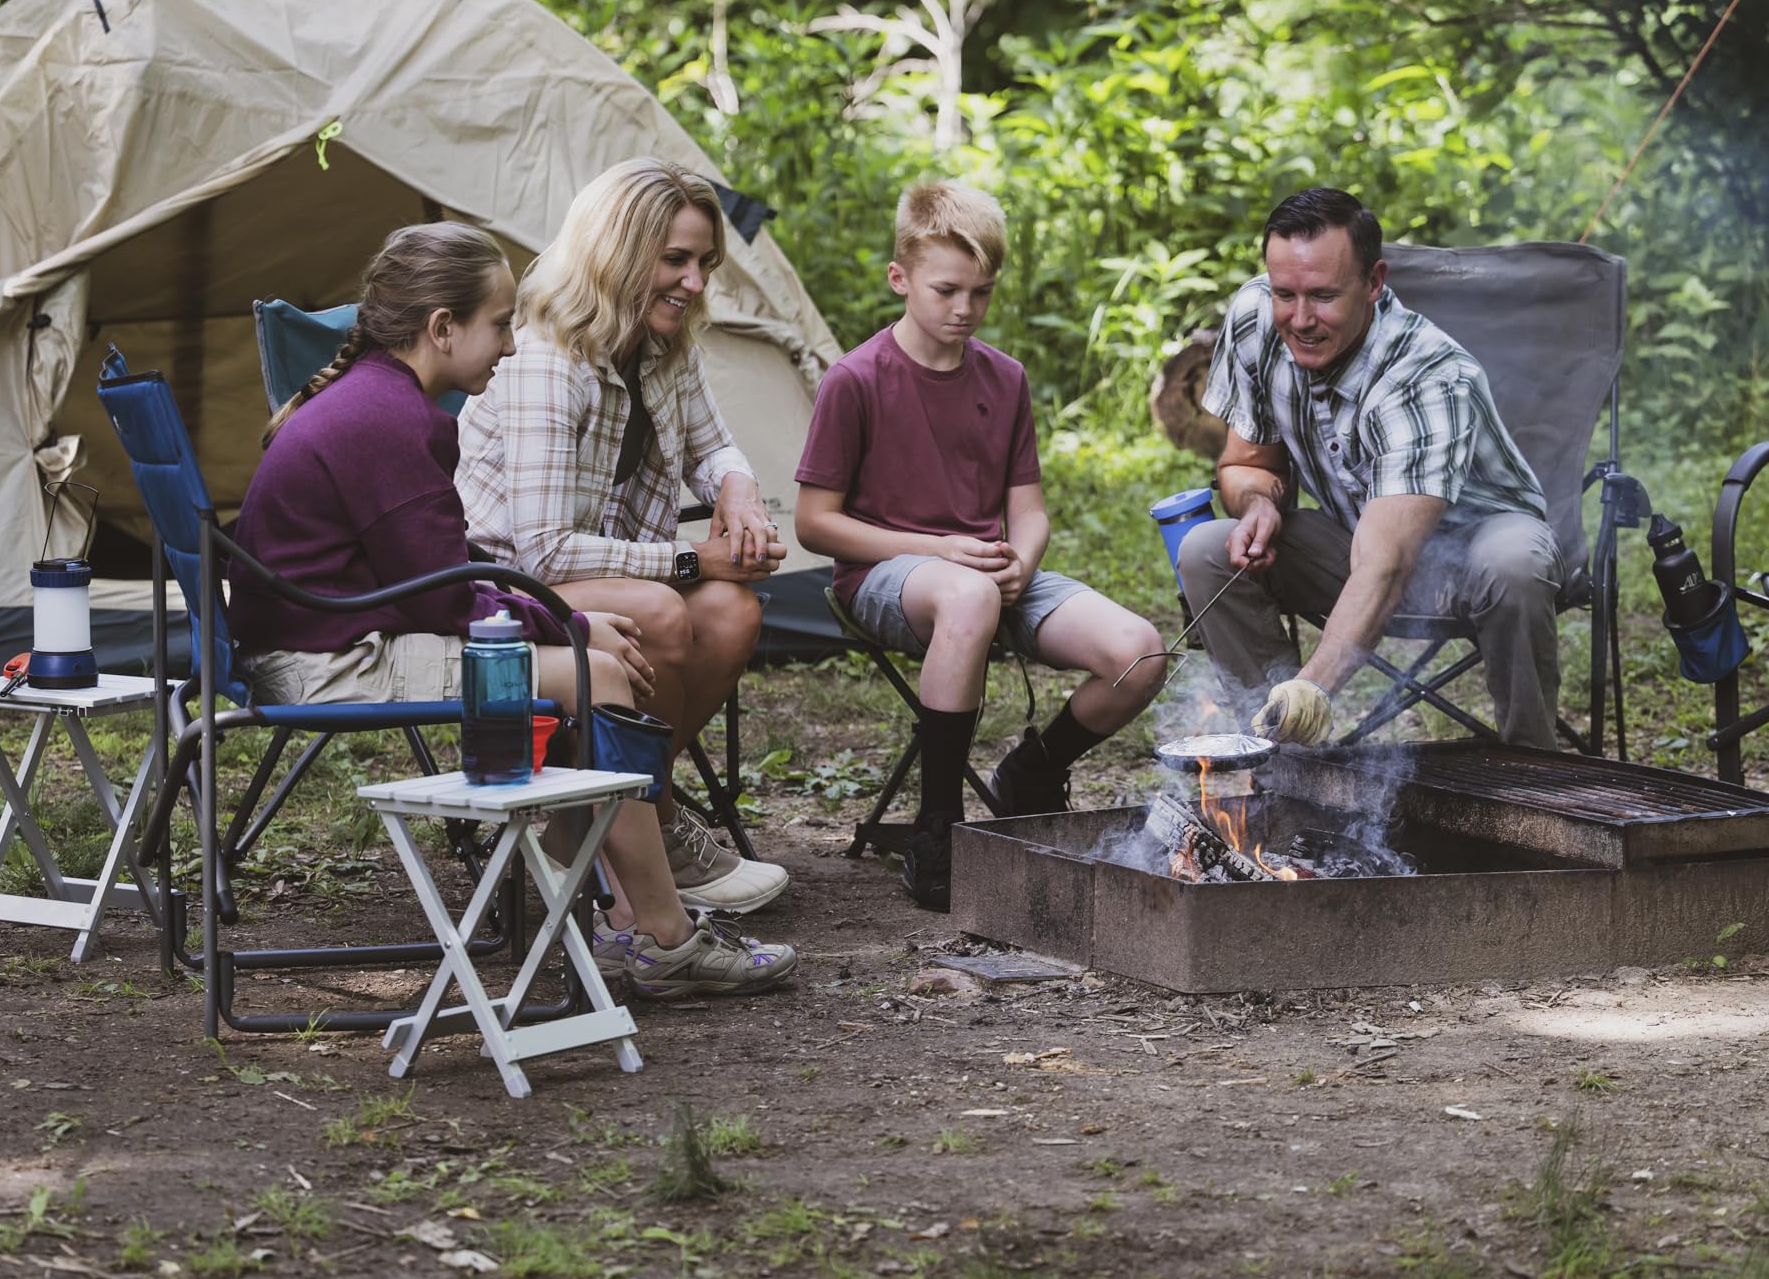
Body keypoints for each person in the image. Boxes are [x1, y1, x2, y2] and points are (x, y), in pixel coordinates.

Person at [231, 220, 794, 999]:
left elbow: (438, 582)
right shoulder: (391, 421)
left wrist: (552, 619)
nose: (507, 343)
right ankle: (659, 933)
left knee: (592, 668)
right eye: (498, 324)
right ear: (441, 328)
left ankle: (620, 901)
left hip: (329, 633)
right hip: (329, 663)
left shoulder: (374, 399)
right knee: (597, 674)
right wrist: (566, 621)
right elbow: (442, 598)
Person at [795, 182, 1169, 911]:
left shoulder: (1004, 378)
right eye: (947, 290)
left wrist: (1021, 560)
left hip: (990, 576)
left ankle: (1032, 768)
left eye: (982, 293)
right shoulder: (855, 380)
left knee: (1141, 651)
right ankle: (939, 827)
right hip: (885, 577)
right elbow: (815, 523)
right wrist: (939, 549)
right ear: (900, 278)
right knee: (964, 593)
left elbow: (1027, 511)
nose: (964, 308)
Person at [455, 160, 791, 915]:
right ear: (618, 252)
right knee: (668, 610)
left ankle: (584, 824)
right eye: (675, 259)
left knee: (733, 610)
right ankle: (659, 829)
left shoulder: (663, 345)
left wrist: (735, 487)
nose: (695, 281)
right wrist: (689, 558)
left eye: (704, 262)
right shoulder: (548, 357)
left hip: (597, 571)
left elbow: (712, 446)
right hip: (503, 593)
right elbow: (540, 546)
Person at [1174, 186, 1560, 750]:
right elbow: (1245, 462)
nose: (1300, 319)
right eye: (1287, 293)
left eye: (1324, 297)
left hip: (1471, 553)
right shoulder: (1257, 317)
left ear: (1374, 282)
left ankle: (1536, 777)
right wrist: (1259, 502)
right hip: (1359, 542)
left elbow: (1387, 562)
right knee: (1207, 551)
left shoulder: (1427, 375)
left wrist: (1312, 688)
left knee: (1514, 563)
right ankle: (1283, 763)